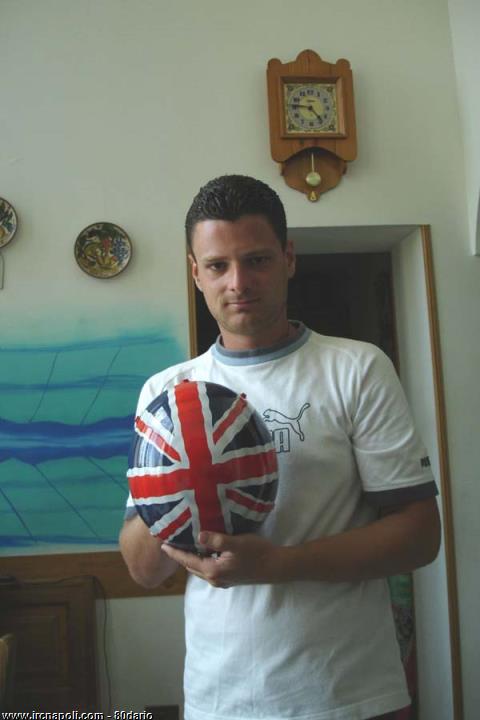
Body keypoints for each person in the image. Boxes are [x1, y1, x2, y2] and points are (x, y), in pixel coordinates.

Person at [120, 175, 440, 720]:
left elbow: (420, 535)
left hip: (351, 694)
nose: (238, 282)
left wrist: (278, 564)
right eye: (217, 265)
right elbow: (143, 571)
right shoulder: (166, 392)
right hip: (220, 698)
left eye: (258, 260)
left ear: (288, 258)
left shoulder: (356, 368)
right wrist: (180, 490)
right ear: (195, 272)